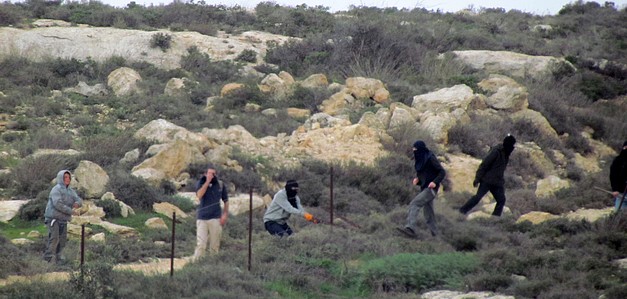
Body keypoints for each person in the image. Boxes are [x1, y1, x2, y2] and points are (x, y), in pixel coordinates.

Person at [397, 140, 446, 239]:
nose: (414, 151)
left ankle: (410, 228)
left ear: (421, 149)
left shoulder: (430, 158)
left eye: (416, 149)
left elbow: (442, 172)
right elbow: (426, 176)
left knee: (415, 203)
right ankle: (437, 237)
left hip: (430, 190)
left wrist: (434, 182)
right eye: (413, 149)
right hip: (425, 189)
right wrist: (418, 180)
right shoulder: (420, 160)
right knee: (429, 215)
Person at [459, 134, 516, 217]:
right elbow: (484, 164)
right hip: (487, 180)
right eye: (512, 145)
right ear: (508, 145)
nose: (513, 148)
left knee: (501, 200)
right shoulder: (496, 151)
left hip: (497, 182)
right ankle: (462, 211)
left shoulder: (506, 153)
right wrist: (477, 178)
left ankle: (495, 219)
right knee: (478, 197)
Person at [43, 170, 83, 264]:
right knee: (54, 238)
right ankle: (48, 259)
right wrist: (71, 211)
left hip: (63, 219)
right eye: (65, 177)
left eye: (69, 177)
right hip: (53, 218)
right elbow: (57, 204)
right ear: (60, 178)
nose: (67, 179)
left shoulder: (70, 190)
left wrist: (77, 203)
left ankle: (58, 259)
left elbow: (78, 199)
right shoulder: (56, 189)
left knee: (62, 240)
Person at [193, 164, 229, 260]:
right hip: (202, 218)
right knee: (201, 244)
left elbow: (226, 200)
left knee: (214, 245)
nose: (211, 175)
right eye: (209, 173)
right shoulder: (201, 182)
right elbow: (199, 195)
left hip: (215, 217)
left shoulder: (220, 184)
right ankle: (197, 263)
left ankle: (213, 264)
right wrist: (207, 181)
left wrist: (225, 214)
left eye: (213, 174)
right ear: (205, 174)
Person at [609, 140, 627, 211]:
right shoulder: (618, 161)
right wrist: (615, 189)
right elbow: (613, 175)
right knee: (619, 215)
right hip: (621, 193)